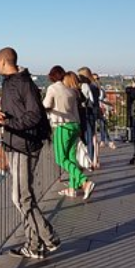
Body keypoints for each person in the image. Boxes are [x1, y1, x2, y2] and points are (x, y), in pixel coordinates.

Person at [0, 47, 63, 260]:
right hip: (18, 143)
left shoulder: (22, 83)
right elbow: (20, 112)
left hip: (24, 145)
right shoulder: (14, 83)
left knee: (21, 197)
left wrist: (7, 123)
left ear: (2, 62)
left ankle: (49, 237)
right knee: (23, 196)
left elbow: (34, 115)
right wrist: (3, 117)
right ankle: (34, 245)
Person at [43, 65, 94, 199]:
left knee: (60, 158)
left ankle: (84, 181)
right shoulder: (71, 91)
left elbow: (46, 105)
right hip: (74, 125)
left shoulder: (53, 88)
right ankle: (72, 187)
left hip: (62, 126)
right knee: (71, 158)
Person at [78, 67, 101, 168]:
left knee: (88, 137)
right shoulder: (95, 85)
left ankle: (90, 160)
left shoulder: (85, 86)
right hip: (94, 111)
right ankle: (95, 159)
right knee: (93, 136)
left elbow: (85, 99)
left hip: (87, 112)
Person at [93, 73, 115, 150]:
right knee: (96, 126)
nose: (96, 80)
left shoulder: (101, 89)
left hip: (100, 109)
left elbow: (104, 99)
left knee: (102, 125)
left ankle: (105, 140)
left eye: (97, 79)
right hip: (93, 109)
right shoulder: (92, 88)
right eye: (94, 79)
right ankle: (106, 141)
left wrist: (109, 106)